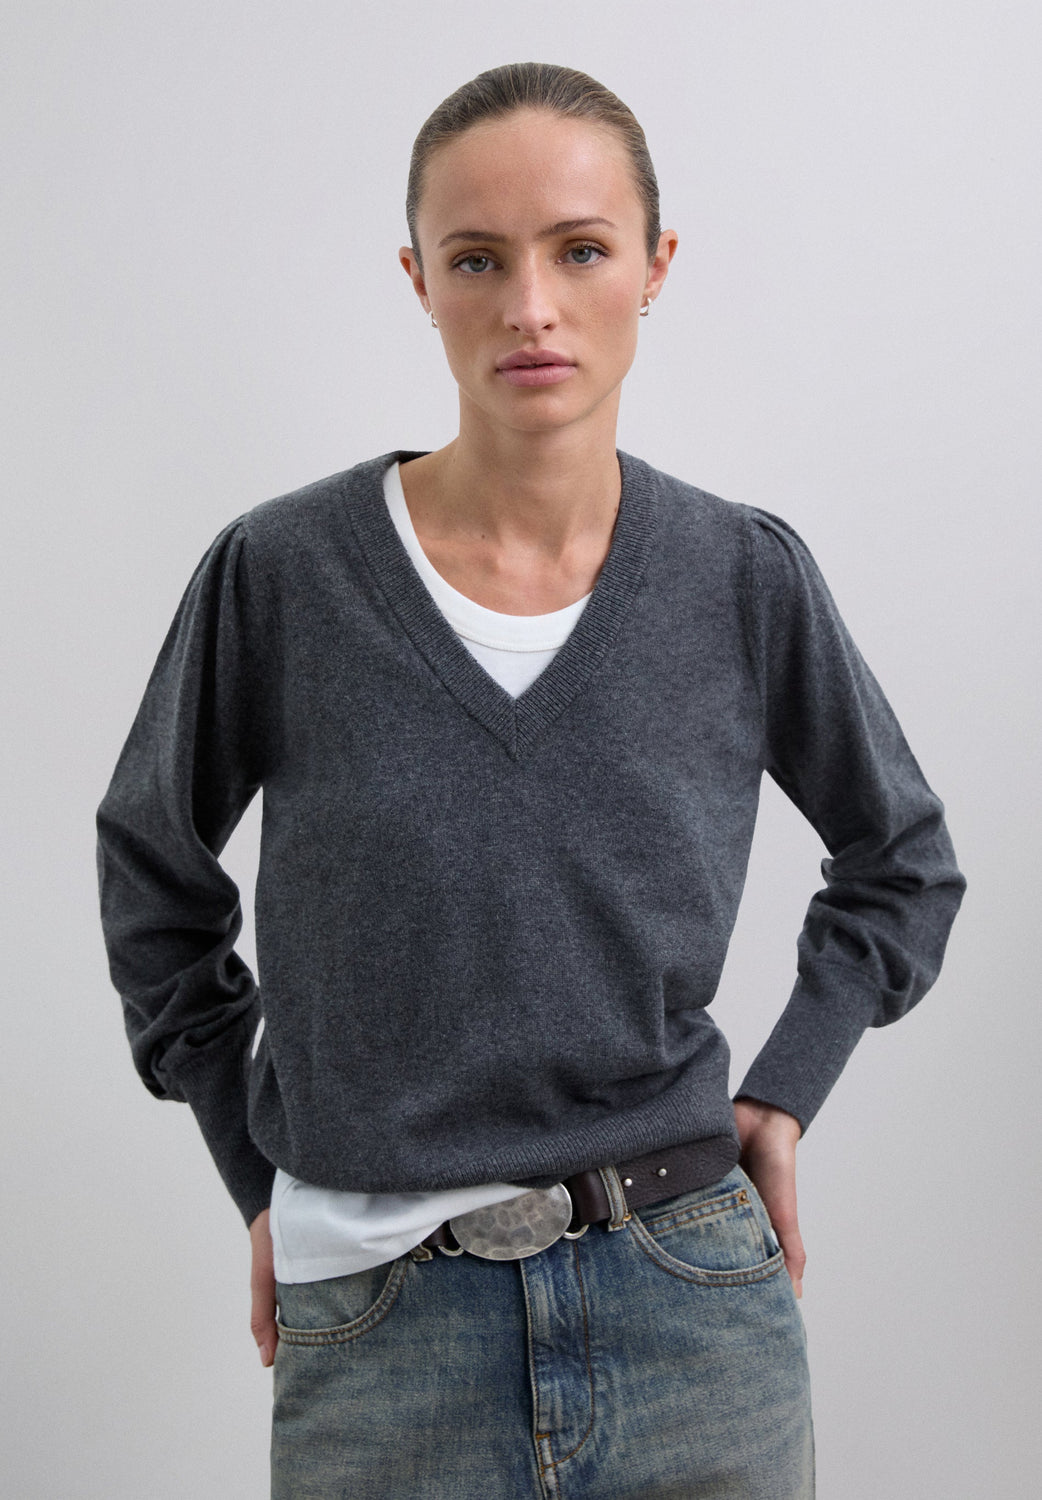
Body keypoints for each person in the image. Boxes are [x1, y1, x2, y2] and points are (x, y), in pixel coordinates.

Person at [96, 62, 965, 1500]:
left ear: (654, 266)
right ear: (418, 281)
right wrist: (258, 1164)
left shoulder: (739, 577)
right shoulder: (284, 576)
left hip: (693, 1302)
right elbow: (152, 872)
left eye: (581, 250)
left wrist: (787, 1089)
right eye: (477, 260)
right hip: (380, 1324)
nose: (532, 307)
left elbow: (904, 859)